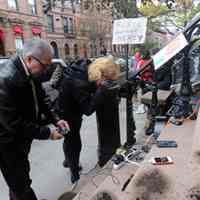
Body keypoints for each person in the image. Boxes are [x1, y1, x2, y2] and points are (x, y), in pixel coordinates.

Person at [0, 39, 69, 200]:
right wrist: (47, 133)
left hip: (22, 138)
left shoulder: (32, 71)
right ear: (29, 58)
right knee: (20, 185)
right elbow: (13, 123)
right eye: (45, 65)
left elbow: (42, 99)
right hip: (7, 143)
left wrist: (56, 119)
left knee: (21, 179)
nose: (46, 70)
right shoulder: (5, 79)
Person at [58, 57, 120, 184]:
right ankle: (74, 173)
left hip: (74, 106)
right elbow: (88, 109)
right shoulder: (79, 82)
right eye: (107, 79)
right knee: (73, 140)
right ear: (101, 75)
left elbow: (92, 91)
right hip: (66, 112)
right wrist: (102, 90)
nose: (107, 82)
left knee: (70, 138)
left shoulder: (90, 70)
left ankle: (67, 160)